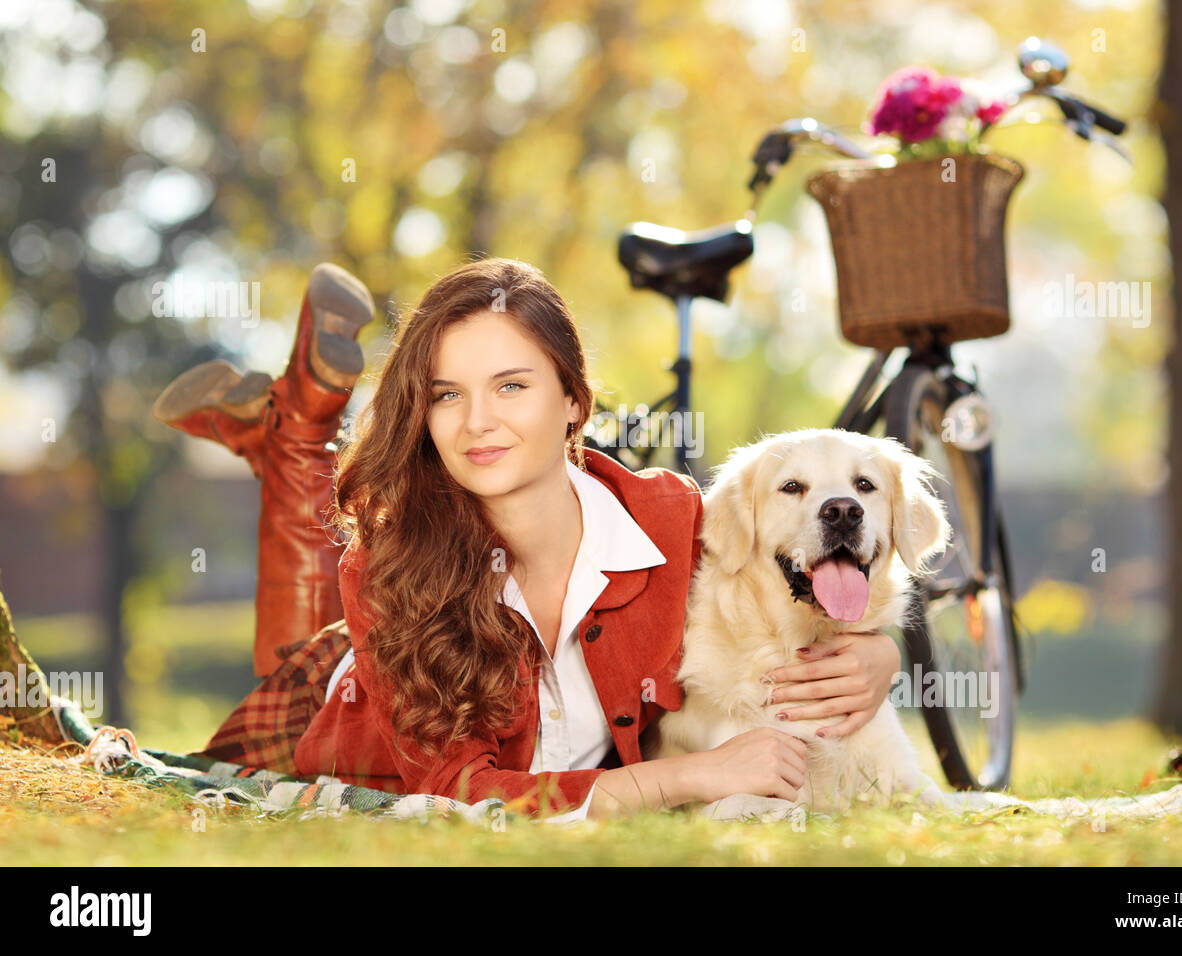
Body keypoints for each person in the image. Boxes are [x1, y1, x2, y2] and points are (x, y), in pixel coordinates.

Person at [162, 257, 903, 821]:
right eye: (447, 395)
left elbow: (784, 579)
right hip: (343, 707)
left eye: (511, 386)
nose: (477, 422)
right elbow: (460, 796)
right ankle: (296, 438)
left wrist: (877, 651)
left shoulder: (674, 521)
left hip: (379, 626)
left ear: (574, 401)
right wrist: (680, 779)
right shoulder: (386, 572)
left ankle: (292, 431)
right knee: (294, 649)